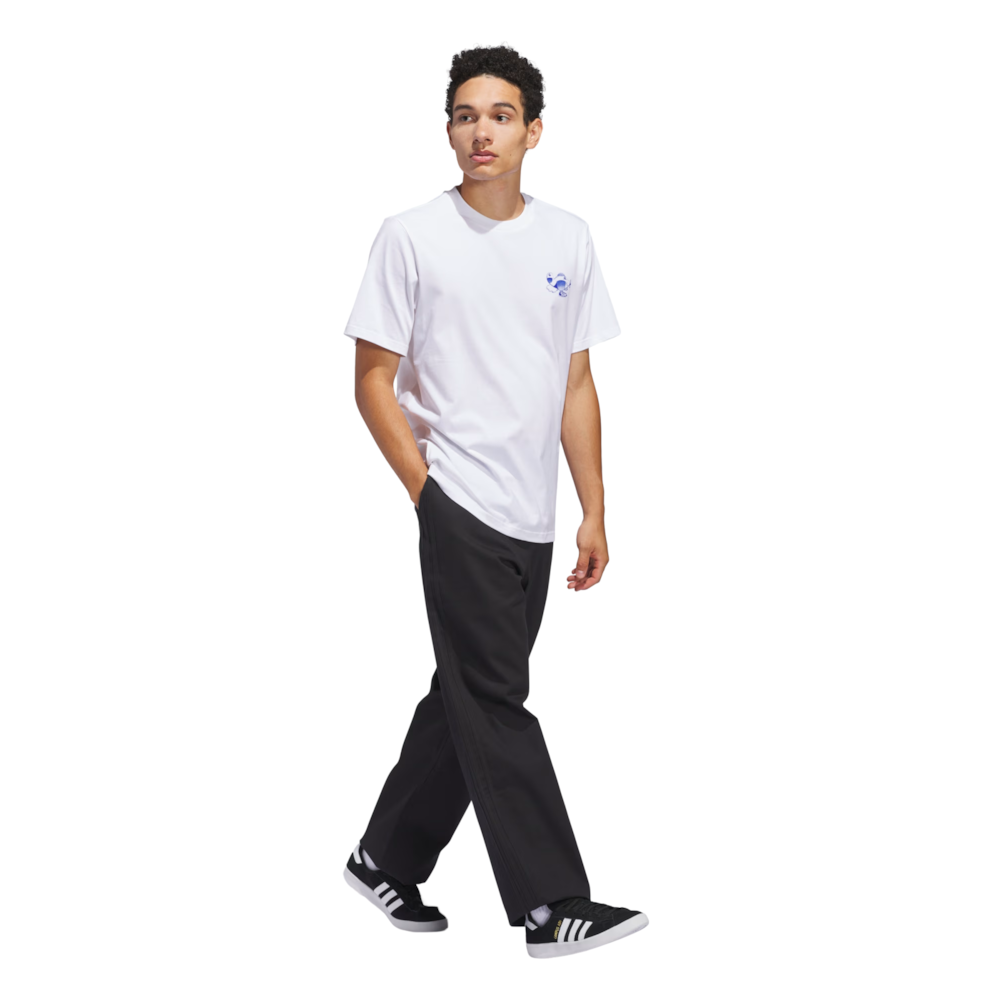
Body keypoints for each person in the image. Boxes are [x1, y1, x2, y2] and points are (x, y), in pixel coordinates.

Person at [341, 44, 647, 959]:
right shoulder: (410, 236)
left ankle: (384, 856)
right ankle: (552, 904)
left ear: (533, 131)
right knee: (499, 699)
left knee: (468, 695)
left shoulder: (568, 239)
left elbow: (576, 381)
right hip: (461, 503)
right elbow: (372, 379)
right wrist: (426, 492)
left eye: (502, 115)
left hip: (534, 515)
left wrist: (593, 509)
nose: (483, 131)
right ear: (448, 131)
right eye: (466, 115)